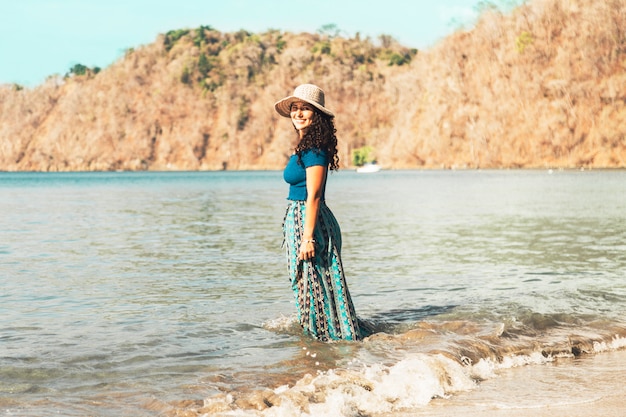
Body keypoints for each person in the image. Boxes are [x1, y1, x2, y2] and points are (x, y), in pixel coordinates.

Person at [275, 84, 364, 341]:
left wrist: (308, 237)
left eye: (305, 109)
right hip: (301, 218)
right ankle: (319, 335)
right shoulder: (305, 146)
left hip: (309, 221)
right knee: (307, 281)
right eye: (295, 108)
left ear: (317, 115)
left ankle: (331, 337)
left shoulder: (315, 150)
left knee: (314, 282)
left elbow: (313, 195)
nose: (298, 113)